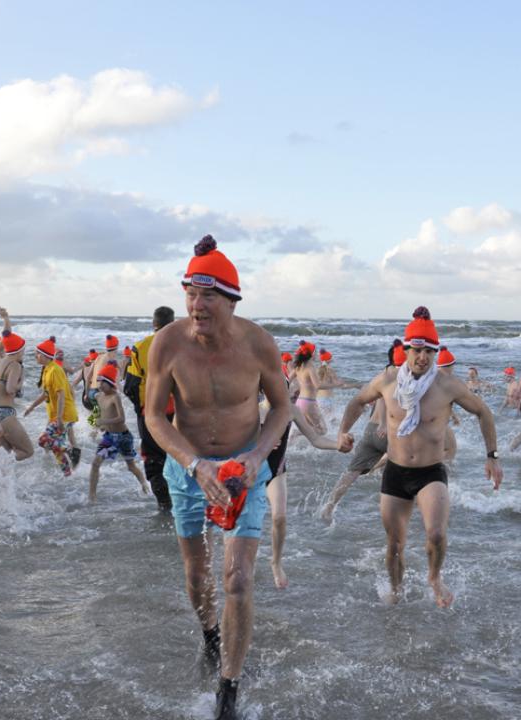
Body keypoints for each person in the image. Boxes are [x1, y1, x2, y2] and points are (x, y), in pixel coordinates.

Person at [145, 235, 290, 720]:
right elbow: (154, 417)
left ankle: (229, 688)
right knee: (196, 576)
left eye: (208, 296)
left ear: (231, 300)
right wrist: (193, 464)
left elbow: (282, 407)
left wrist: (258, 458)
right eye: (190, 292)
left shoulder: (258, 344)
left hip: (243, 471)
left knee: (237, 578)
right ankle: (211, 634)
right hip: (188, 471)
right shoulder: (167, 344)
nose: (196, 304)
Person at [338, 306, 502, 608]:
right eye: (417, 349)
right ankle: (396, 590)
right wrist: (342, 432)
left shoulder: (446, 385)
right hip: (396, 472)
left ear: (435, 352)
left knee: (437, 534)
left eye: (429, 350)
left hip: (430, 473)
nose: (423, 356)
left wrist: (492, 456)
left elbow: (483, 412)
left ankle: (434, 577)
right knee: (395, 545)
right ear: (407, 348)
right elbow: (358, 400)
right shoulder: (387, 380)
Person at [321, 340, 405, 524]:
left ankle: (328, 506)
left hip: (370, 432)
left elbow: (364, 401)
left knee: (352, 472)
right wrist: (384, 423)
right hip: (387, 432)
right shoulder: (400, 376)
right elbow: (383, 400)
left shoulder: (381, 376)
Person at [265, 401, 338, 588]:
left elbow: (316, 439)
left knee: (280, 517)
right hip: (250, 470)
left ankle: (276, 562)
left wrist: (340, 444)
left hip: (276, 471)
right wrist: (261, 439)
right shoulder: (250, 407)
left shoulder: (290, 410)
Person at [124, 306, 175, 510]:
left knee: (154, 459)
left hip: (151, 412)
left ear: (154, 324)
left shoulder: (140, 347)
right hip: (182, 413)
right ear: (172, 323)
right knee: (183, 457)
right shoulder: (186, 345)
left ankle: (164, 505)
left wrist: (140, 409)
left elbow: (130, 386)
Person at [89, 361, 149, 501]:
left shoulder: (115, 397)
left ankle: (144, 484)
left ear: (110, 383)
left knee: (131, 466)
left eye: (103, 382)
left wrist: (104, 422)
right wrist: (95, 426)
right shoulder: (99, 397)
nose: (100, 385)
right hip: (110, 437)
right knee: (95, 463)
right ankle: (92, 496)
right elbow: (97, 413)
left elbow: (121, 418)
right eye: (99, 382)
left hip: (123, 437)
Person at [24, 336, 81, 477]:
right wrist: (31, 407)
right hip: (56, 415)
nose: (35, 356)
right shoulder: (47, 369)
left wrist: (60, 419)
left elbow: (61, 395)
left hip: (64, 414)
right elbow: (46, 394)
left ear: (45, 356)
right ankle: (68, 475)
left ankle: (71, 450)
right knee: (56, 449)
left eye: (38, 353)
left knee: (43, 440)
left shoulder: (55, 370)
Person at [0, 330, 33, 460]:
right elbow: (10, 389)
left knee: (6, 454)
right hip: (5, 414)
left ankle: (1, 479)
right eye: (23, 350)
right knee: (27, 451)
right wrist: (21, 381)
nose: (24, 353)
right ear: (18, 351)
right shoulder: (15, 365)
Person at [293, 341, 350, 435]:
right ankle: (298, 433)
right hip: (309, 402)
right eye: (314, 352)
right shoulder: (310, 367)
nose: (316, 354)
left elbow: (288, 379)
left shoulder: (298, 367)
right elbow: (318, 385)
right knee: (323, 430)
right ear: (311, 354)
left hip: (299, 402)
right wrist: (335, 385)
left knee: (310, 427)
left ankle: (303, 443)